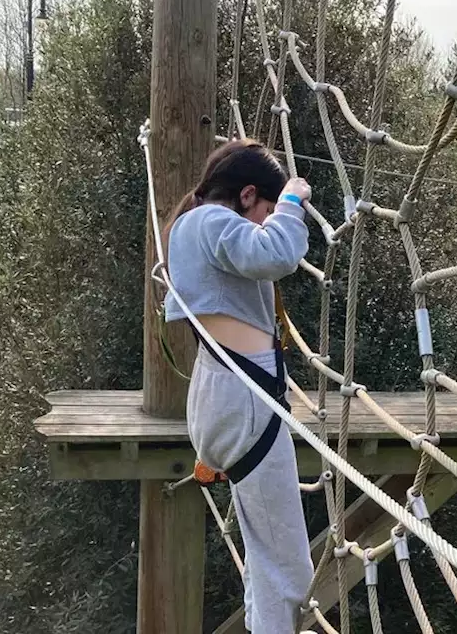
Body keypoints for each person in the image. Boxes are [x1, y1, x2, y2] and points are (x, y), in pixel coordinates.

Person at [162, 139, 314, 633]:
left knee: (266, 555)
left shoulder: (192, 226)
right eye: (265, 210)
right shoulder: (211, 221)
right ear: (248, 195)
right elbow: (278, 253)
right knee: (288, 568)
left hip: (226, 396)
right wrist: (291, 200)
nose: (268, 219)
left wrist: (280, 206)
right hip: (245, 401)